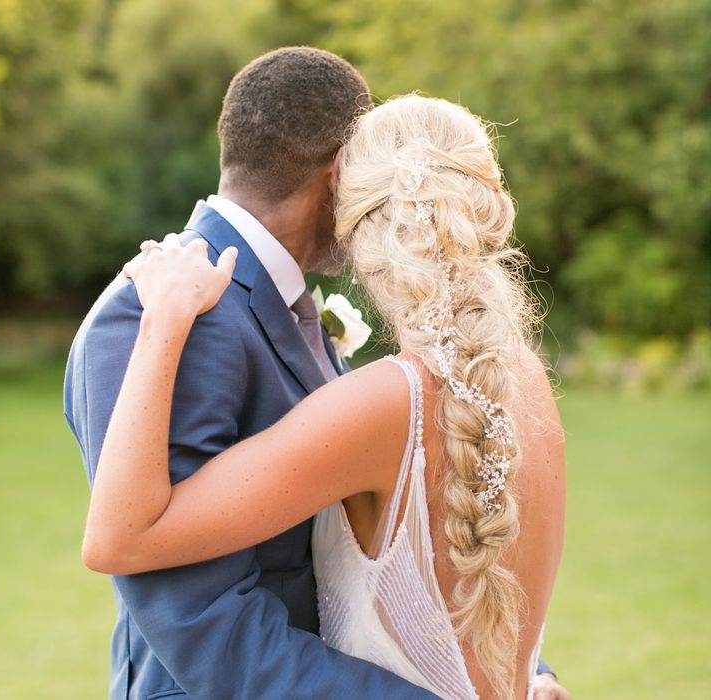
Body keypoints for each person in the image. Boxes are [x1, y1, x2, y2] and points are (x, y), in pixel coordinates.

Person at [80, 93, 567, 700]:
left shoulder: (384, 401)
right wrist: (531, 675)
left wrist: (166, 321)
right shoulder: (522, 379)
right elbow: (486, 559)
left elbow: (120, 537)